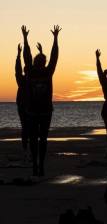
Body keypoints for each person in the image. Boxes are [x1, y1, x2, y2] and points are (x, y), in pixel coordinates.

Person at [22, 24, 61, 176]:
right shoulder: (38, 71)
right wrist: (25, 39)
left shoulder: (44, 71)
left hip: (41, 111)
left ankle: (39, 165)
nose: (42, 62)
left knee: (39, 139)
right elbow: (52, 57)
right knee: (38, 139)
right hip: (36, 111)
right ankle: (37, 165)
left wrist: (55, 39)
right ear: (39, 61)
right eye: (41, 60)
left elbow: (53, 57)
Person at [15, 43, 29, 161]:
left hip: (28, 106)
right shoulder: (23, 79)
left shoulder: (30, 79)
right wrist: (19, 55)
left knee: (27, 128)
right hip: (23, 106)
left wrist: (19, 55)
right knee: (26, 128)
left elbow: (18, 70)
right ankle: (26, 149)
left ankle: (27, 149)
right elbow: (18, 70)